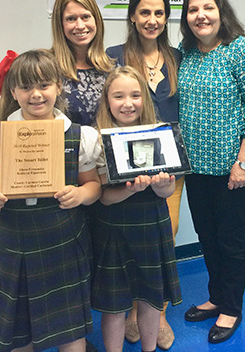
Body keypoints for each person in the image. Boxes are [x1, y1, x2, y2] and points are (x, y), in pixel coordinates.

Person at [0, 49, 102, 352]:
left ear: (58, 87)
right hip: (11, 241)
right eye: (26, 87)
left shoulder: (80, 137)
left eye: (44, 85)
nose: (36, 95)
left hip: (63, 239)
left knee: (70, 331)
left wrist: (80, 194)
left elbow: (93, 186)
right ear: (13, 91)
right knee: (19, 332)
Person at [178, 0, 245, 344]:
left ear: (221, 11)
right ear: (186, 18)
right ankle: (217, 295)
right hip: (196, 167)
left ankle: (231, 306)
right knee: (207, 236)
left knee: (231, 239)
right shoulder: (186, 53)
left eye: (208, 8)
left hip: (235, 166)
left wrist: (243, 163)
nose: (200, 15)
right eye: (192, 10)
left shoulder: (241, 50)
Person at [106, 0, 182, 350]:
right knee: (129, 245)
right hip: (124, 169)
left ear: (167, 18)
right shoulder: (113, 56)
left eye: (159, 13)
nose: (152, 20)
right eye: (144, 12)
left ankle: (158, 313)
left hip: (169, 165)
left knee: (164, 236)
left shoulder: (177, 57)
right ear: (132, 16)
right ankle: (134, 314)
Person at [91, 66, 182, 352]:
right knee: (115, 304)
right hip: (114, 226)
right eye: (118, 96)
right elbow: (104, 198)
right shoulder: (96, 140)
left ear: (144, 98)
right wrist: (128, 190)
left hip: (152, 222)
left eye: (135, 95)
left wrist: (157, 185)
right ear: (107, 100)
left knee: (151, 297)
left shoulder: (161, 136)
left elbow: (168, 190)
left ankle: (148, 348)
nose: (127, 103)